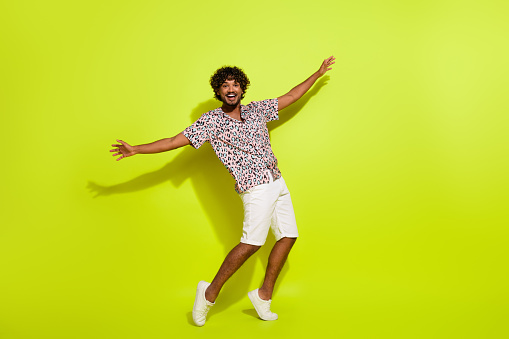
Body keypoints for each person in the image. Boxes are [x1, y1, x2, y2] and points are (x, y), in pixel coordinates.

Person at [110, 56, 335, 326]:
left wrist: (317, 73)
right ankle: (208, 293)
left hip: (277, 180)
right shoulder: (210, 122)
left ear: (242, 89)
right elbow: (172, 141)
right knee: (252, 243)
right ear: (218, 91)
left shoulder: (257, 110)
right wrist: (136, 149)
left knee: (288, 236)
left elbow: (290, 96)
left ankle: (263, 295)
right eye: (225, 85)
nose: (231, 89)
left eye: (235, 84)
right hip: (254, 188)